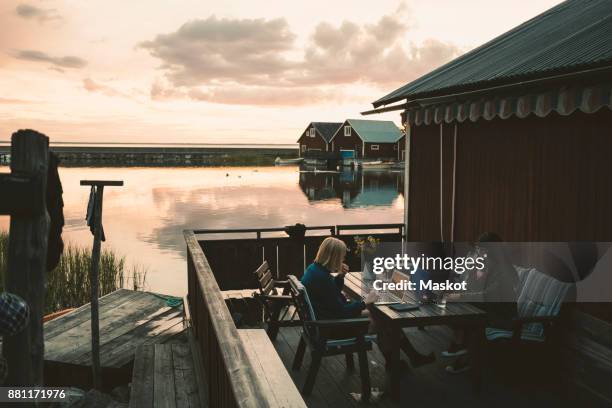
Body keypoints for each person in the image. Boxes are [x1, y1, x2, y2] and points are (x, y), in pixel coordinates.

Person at [302, 237, 434, 369]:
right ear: (334, 256)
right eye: (342, 256)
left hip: (322, 321)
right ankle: (402, 361)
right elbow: (340, 310)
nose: (343, 260)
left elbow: (330, 296)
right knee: (384, 322)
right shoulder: (322, 278)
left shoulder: (315, 269)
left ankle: (398, 362)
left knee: (380, 316)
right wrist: (365, 302)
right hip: (331, 328)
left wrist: (340, 277)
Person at [443, 232, 518, 373]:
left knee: (461, 308)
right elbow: (471, 288)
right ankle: (462, 348)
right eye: (477, 249)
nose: (478, 252)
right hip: (488, 309)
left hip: (502, 317)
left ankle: (464, 352)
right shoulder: (486, 266)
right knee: (453, 304)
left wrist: (459, 296)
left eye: (481, 249)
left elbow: (488, 296)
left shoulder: (504, 271)